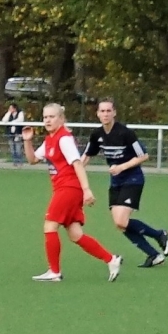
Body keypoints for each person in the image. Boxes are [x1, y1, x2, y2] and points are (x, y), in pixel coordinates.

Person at [26, 102, 120, 282]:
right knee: (75, 234)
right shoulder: (50, 139)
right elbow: (32, 160)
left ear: (61, 119)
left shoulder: (64, 139)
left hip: (68, 188)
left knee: (49, 226)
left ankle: (54, 271)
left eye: (52, 117)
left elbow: (77, 164)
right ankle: (111, 260)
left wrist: (86, 190)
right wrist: (27, 140)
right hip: (64, 188)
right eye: (45, 117)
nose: (47, 120)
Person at [85, 98, 168, 268]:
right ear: (97, 114)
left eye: (108, 111)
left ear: (114, 113)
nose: (105, 114)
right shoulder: (97, 135)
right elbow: (86, 156)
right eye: (102, 111)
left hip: (133, 179)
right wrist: (74, 171)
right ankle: (154, 255)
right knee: (120, 225)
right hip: (116, 182)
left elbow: (144, 156)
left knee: (121, 221)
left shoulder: (125, 133)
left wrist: (121, 167)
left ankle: (159, 234)